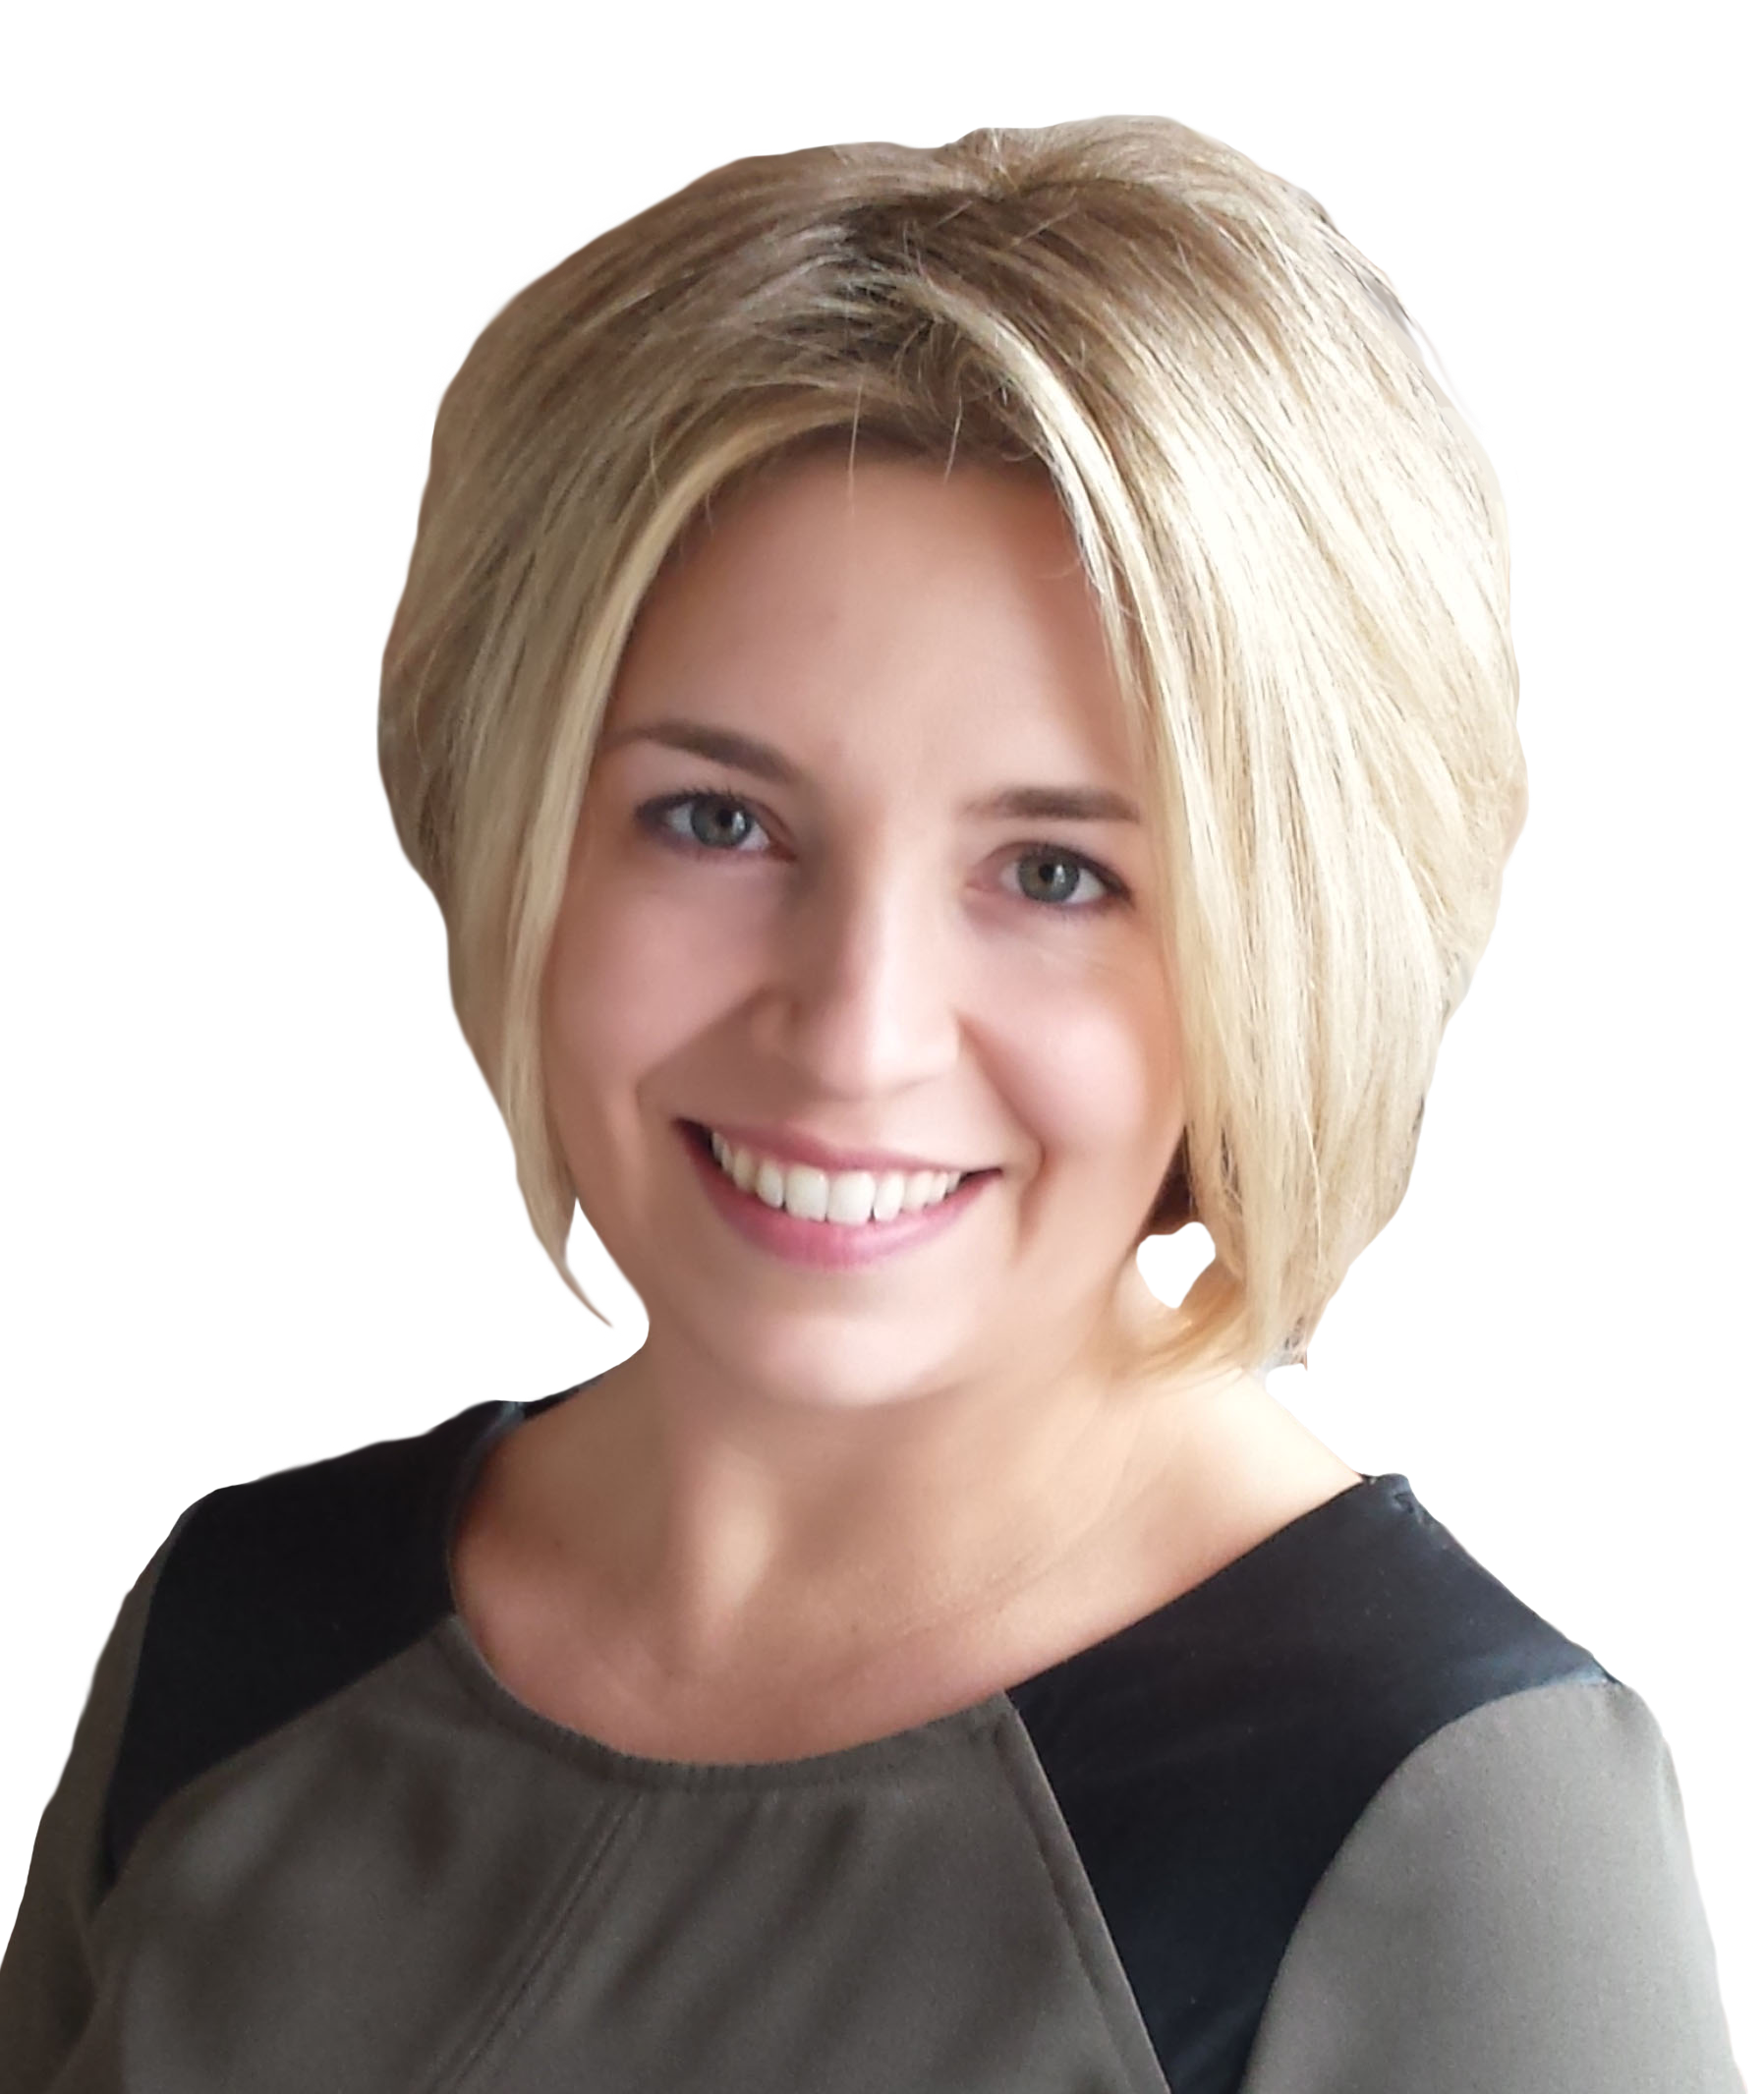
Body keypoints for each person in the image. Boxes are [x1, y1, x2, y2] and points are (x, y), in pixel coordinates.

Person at [2, 118, 1742, 2092]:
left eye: (1056, 872)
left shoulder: (1448, 1824)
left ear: (1282, 949)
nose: (854, 1032)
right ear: (509, 832)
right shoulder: (237, 1632)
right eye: (715, 819)